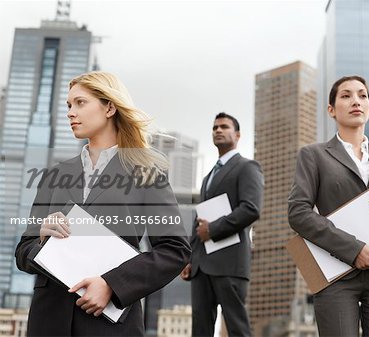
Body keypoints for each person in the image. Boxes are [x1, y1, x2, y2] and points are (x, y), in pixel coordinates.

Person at [15, 71, 191, 336]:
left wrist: (112, 285)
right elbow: (23, 252)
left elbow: (175, 250)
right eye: (69, 105)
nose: (70, 112)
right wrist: (41, 238)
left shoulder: (146, 173)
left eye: (80, 103)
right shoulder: (54, 175)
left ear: (109, 107)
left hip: (108, 323)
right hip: (48, 321)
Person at [288, 75, 369, 337]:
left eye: (362, 96)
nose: (356, 101)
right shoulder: (313, 155)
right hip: (336, 272)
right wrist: (354, 249)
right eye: (346, 95)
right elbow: (298, 213)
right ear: (331, 109)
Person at [180, 113, 264, 337]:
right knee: (200, 329)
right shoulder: (208, 177)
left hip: (230, 262)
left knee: (236, 327)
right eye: (215, 127)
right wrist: (189, 257)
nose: (218, 130)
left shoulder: (247, 167)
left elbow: (251, 209)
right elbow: (199, 220)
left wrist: (214, 229)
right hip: (201, 265)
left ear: (237, 135)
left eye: (224, 127)